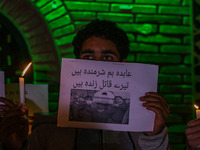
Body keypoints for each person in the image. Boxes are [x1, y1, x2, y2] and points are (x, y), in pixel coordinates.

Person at [0, 19, 170, 150]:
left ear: (123, 65)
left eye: (107, 58)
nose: (97, 66)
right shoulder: (47, 128)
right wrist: (17, 146)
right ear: (75, 64)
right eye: (88, 57)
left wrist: (154, 135)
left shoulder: (142, 130)